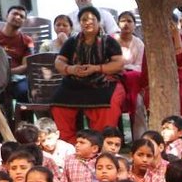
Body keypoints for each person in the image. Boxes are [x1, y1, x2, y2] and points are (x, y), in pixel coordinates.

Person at [50, 7, 126, 138]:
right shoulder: (72, 41)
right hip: (75, 82)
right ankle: (69, 143)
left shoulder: (109, 41)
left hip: (104, 82)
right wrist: (71, 69)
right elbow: (59, 61)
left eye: (92, 19)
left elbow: (119, 64)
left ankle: (101, 141)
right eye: (84, 20)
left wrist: (96, 68)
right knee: (58, 104)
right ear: (79, 23)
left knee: (109, 105)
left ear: (98, 22)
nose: (88, 22)